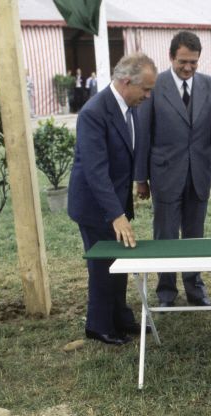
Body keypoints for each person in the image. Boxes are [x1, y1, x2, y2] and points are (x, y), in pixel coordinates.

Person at [67, 52, 157, 345]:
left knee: (120, 262)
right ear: (126, 81)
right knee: (103, 265)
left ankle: (121, 317)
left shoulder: (130, 108)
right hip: (96, 206)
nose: (148, 95)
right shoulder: (95, 111)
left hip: (116, 202)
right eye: (145, 89)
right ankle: (99, 325)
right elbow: (95, 171)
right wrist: (116, 214)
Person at [136, 30, 211, 307]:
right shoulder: (154, 85)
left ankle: (195, 289)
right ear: (171, 57)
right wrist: (141, 179)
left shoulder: (209, 84)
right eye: (183, 61)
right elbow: (143, 134)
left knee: (195, 234)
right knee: (166, 234)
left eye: (193, 62)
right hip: (164, 175)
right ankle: (166, 293)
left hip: (199, 174)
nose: (188, 67)